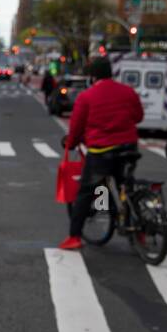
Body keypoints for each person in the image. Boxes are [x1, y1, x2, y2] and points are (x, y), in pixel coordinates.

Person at [59, 56, 144, 250]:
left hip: (101, 152)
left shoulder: (87, 97)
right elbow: (138, 117)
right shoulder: (128, 92)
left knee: (86, 192)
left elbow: (77, 127)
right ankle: (138, 231)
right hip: (129, 148)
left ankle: (74, 237)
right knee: (127, 187)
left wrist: (70, 144)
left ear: (92, 76)